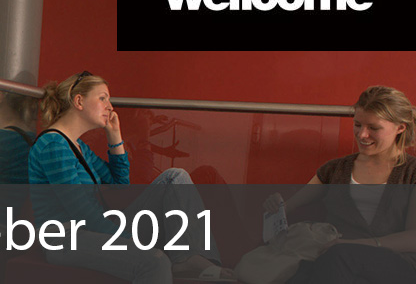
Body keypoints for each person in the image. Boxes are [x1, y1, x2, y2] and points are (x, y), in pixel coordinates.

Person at [28, 71, 231, 283]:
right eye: (102, 98)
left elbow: (120, 183)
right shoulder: (53, 145)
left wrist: (115, 136)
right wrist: (130, 242)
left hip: (91, 229)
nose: (110, 106)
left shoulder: (79, 147)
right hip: (66, 239)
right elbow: (81, 211)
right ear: (79, 101)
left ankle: (189, 257)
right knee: (155, 261)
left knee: (174, 177)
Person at [263, 85, 416, 283]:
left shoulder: (411, 173)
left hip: (395, 263)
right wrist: (276, 205)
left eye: (373, 128)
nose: (362, 135)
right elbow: (287, 207)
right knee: (301, 272)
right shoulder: (335, 170)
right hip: (335, 263)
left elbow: (413, 238)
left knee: (340, 257)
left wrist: (353, 244)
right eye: (358, 125)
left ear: (400, 127)